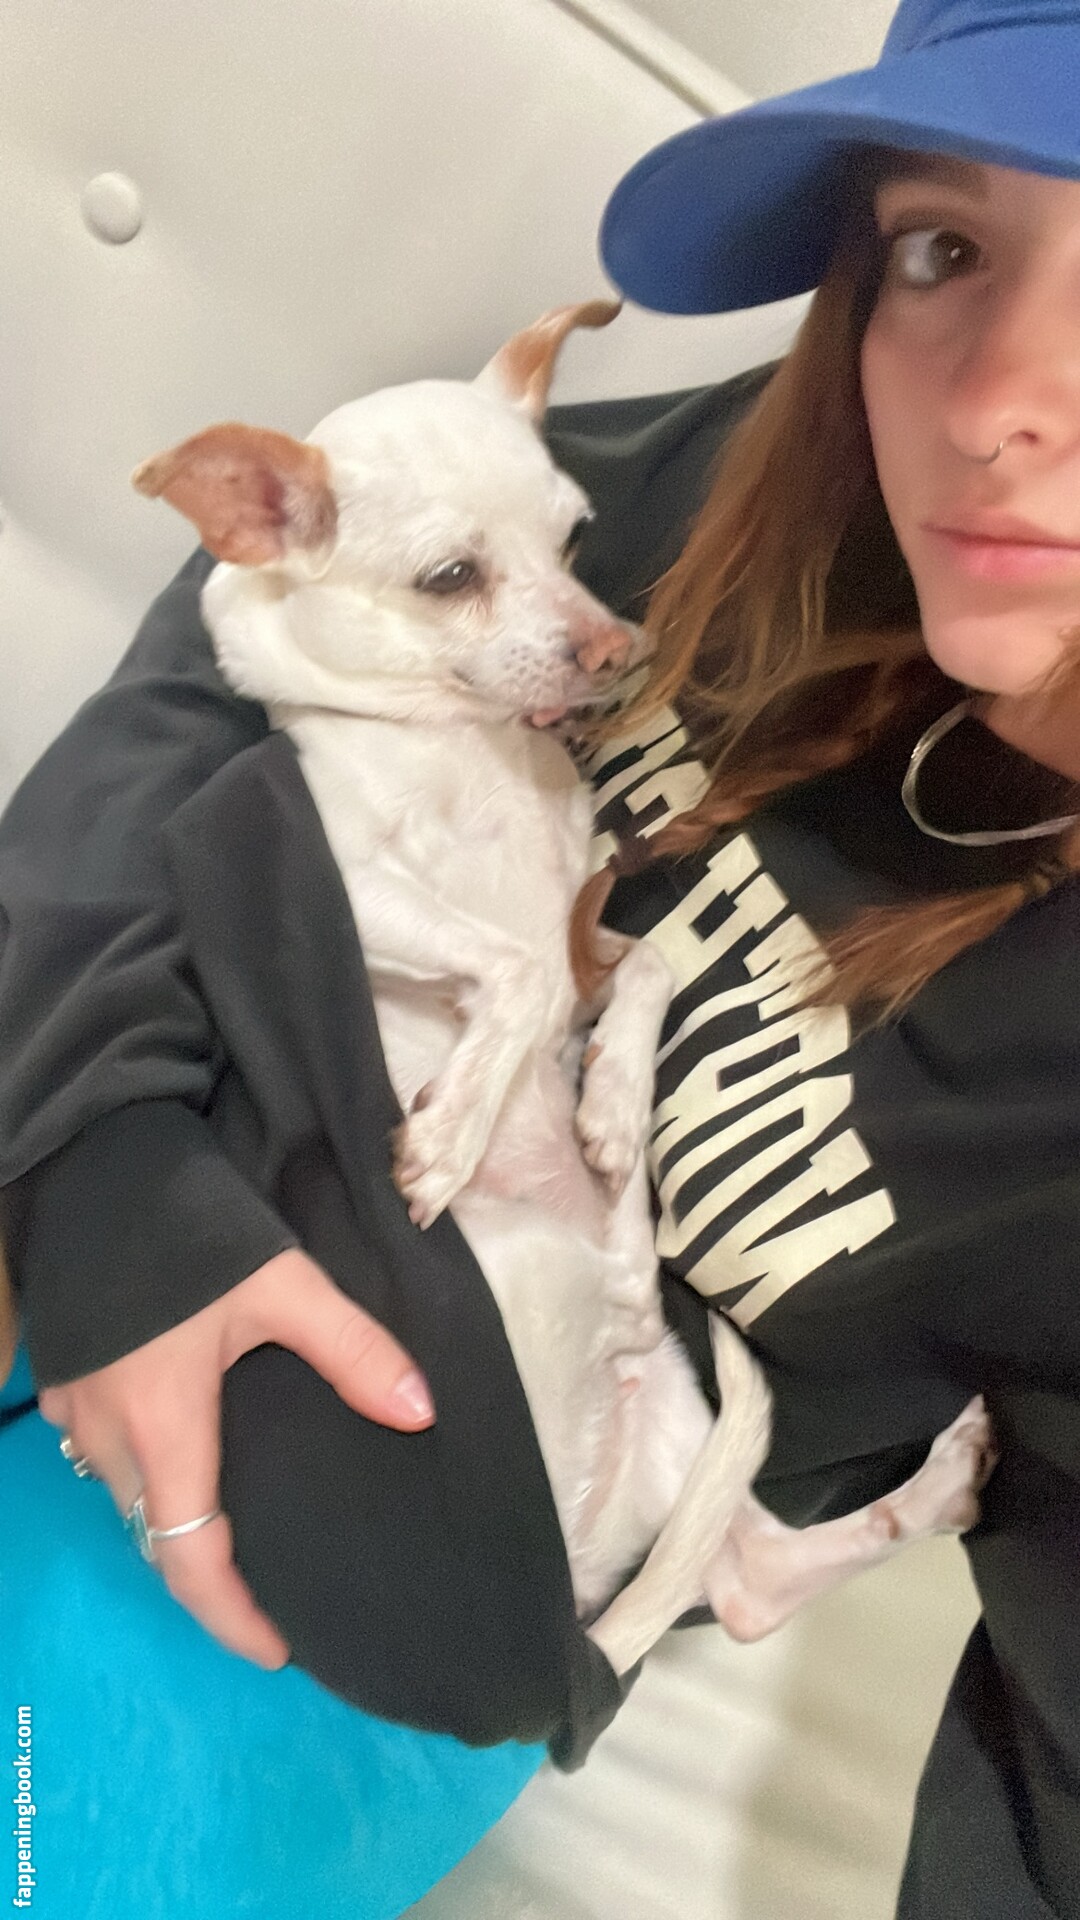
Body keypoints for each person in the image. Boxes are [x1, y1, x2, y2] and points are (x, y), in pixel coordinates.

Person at [2, 0, 1080, 1905]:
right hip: (111, 1223)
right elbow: (256, 611)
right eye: (941, 246)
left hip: (369, 1612)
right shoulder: (795, 482)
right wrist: (102, 1181)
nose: (999, 395)